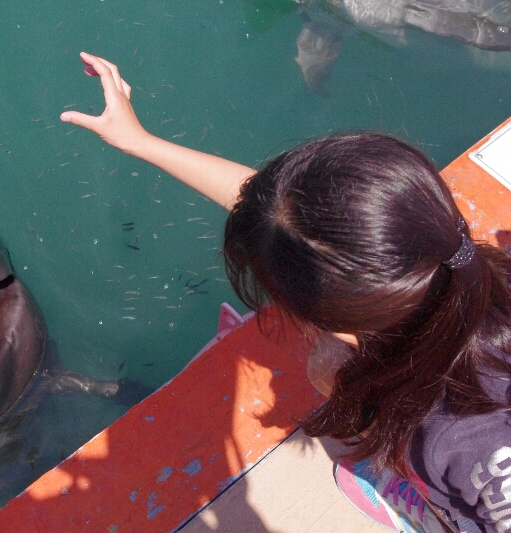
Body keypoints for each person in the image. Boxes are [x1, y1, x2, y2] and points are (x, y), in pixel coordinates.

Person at [60, 52, 511, 533]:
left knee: (327, 369)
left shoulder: (465, 447)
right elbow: (291, 223)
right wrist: (142, 143)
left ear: (341, 324)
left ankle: (431, 507)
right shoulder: (452, 257)